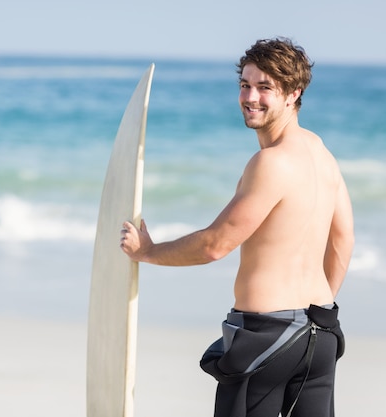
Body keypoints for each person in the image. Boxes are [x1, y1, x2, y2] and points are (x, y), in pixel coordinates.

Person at [120, 37, 354, 417]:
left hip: (266, 337)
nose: (251, 97)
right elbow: (343, 238)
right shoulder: (321, 153)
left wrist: (147, 252)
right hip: (320, 334)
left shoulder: (270, 163)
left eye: (265, 88)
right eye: (245, 85)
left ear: (294, 93)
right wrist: (317, 306)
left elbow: (215, 244)